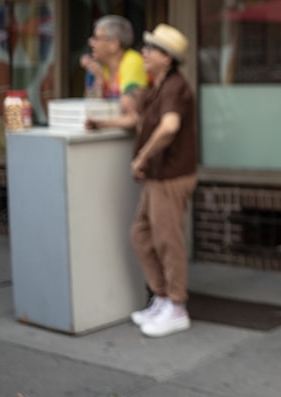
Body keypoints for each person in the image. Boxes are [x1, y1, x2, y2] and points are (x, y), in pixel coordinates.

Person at [85, 23, 198, 338]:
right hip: (158, 176)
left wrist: (141, 157)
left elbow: (169, 127)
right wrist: (102, 123)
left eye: (151, 50)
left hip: (170, 176)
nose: (144, 54)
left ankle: (177, 306)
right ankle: (161, 297)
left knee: (167, 240)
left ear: (167, 57)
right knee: (141, 235)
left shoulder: (175, 86)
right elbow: (136, 118)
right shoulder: (159, 85)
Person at [80, 15, 148, 100]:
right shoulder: (98, 66)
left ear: (114, 44)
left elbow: (128, 105)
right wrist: (98, 80)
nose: (90, 42)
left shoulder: (133, 60)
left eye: (96, 38)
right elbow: (90, 106)